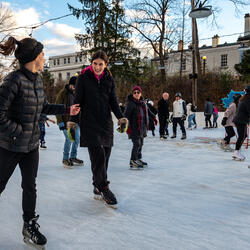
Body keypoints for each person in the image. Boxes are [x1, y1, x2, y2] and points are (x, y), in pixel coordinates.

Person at [0, 36, 80, 249]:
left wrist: (66, 110)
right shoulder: (13, 80)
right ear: (34, 57)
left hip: (31, 145)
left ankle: (29, 225)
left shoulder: (37, 79)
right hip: (10, 145)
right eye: (42, 55)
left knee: (30, 186)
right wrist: (18, 131)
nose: (45, 58)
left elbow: (43, 107)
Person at [69, 50, 127, 208]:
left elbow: (113, 101)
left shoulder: (109, 79)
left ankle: (97, 185)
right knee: (98, 157)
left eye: (101, 64)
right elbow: (77, 101)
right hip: (89, 122)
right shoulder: (83, 78)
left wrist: (121, 117)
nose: (97, 67)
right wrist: (73, 122)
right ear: (91, 63)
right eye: (95, 63)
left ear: (105, 65)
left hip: (106, 122)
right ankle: (104, 187)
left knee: (106, 156)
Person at [124, 86, 156, 170]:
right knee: (136, 144)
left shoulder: (143, 103)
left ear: (140, 93)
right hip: (134, 128)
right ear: (132, 94)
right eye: (134, 92)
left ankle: (138, 158)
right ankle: (133, 160)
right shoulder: (130, 103)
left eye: (138, 92)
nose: (136, 94)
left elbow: (148, 111)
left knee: (141, 143)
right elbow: (126, 116)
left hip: (142, 127)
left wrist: (154, 118)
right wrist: (126, 127)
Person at [55, 76, 83, 168]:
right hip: (66, 121)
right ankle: (65, 158)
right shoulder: (63, 93)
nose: (75, 88)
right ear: (71, 85)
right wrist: (60, 122)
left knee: (76, 140)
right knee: (69, 139)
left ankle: (73, 157)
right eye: (74, 86)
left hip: (75, 121)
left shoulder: (77, 93)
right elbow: (57, 108)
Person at [232, 86, 250, 161]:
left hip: (241, 120)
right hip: (240, 121)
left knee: (244, 135)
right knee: (241, 136)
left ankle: (237, 151)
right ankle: (236, 152)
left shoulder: (244, 99)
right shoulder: (247, 100)